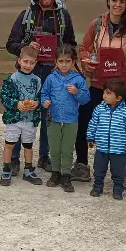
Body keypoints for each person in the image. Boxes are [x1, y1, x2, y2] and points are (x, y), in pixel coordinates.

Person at [5, 0, 76, 177]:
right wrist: (25, 48)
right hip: (28, 73)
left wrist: (61, 55)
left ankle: (44, 157)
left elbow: (71, 44)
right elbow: (11, 44)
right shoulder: (25, 15)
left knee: (48, 116)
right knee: (22, 112)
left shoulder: (63, 16)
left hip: (54, 75)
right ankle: (14, 159)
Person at [76, 0, 126, 184]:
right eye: (114, 0)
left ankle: (119, 171)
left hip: (122, 88)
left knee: (121, 130)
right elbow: (84, 48)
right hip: (98, 84)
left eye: (122, 1)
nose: (118, 4)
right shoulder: (97, 25)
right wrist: (88, 63)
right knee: (84, 122)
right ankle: (81, 164)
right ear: (108, 1)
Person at [40, 45, 91, 192]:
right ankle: (55, 173)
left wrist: (76, 92)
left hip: (71, 120)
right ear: (56, 61)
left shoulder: (78, 79)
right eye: (60, 61)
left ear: (73, 61)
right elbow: (44, 94)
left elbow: (86, 99)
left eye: (67, 61)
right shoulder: (51, 78)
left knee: (67, 149)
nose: (64, 64)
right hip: (53, 118)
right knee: (54, 148)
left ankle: (66, 175)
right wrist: (45, 102)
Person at [0, 45, 45, 186]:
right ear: (19, 61)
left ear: (35, 63)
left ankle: (28, 170)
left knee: (28, 145)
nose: (28, 65)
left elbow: (41, 97)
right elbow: (4, 96)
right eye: (25, 62)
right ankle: (6, 169)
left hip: (30, 119)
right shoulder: (11, 79)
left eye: (31, 63)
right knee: (9, 144)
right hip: (14, 119)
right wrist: (16, 104)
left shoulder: (37, 81)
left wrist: (37, 104)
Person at [87, 78, 126, 200]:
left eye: (108, 93)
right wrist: (90, 137)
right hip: (102, 147)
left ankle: (118, 190)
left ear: (119, 98)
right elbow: (93, 123)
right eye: (104, 92)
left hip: (119, 149)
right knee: (99, 169)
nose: (104, 95)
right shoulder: (99, 109)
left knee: (118, 171)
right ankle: (97, 187)